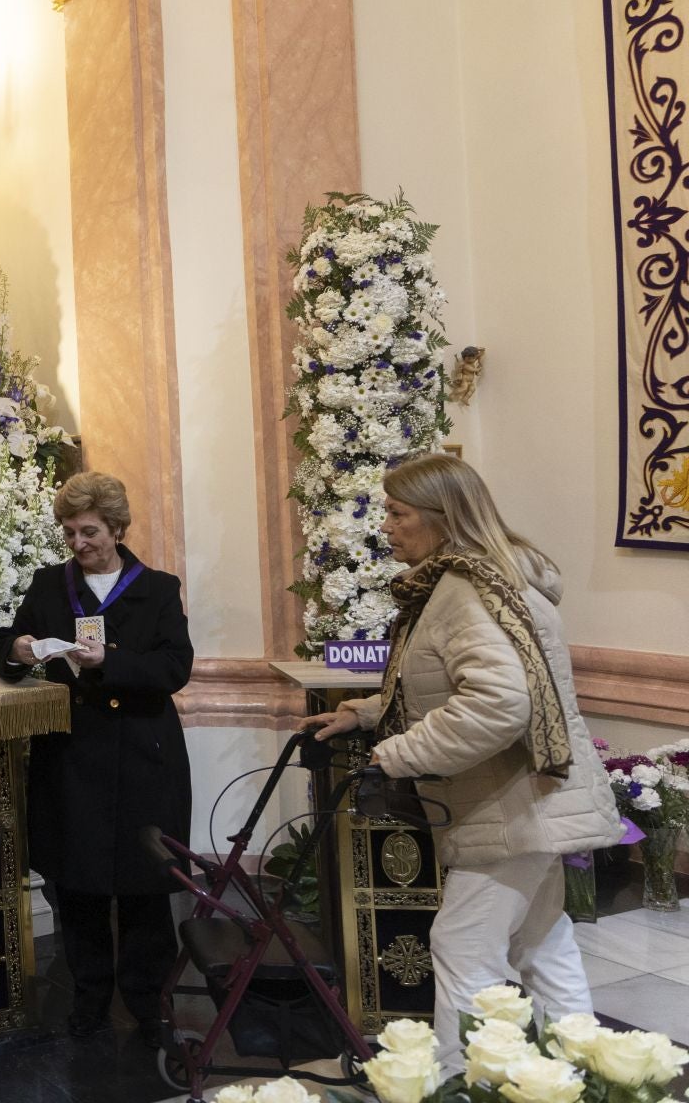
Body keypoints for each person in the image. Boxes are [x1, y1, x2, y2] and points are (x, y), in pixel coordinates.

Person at [299, 453, 621, 1059]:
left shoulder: (468, 590)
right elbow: (446, 681)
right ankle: (578, 1078)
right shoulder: (483, 578)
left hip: (512, 808)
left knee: (462, 947)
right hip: (529, 803)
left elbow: (500, 705)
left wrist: (393, 753)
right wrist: (366, 712)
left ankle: (461, 1088)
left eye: (398, 513)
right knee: (541, 946)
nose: (386, 526)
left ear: (442, 518)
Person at [0, 470, 193, 1047]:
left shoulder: (156, 587)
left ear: (118, 528)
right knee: (78, 887)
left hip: (143, 757)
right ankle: (88, 1000)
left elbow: (174, 667)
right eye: (70, 532)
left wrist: (111, 662)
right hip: (71, 756)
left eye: (90, 532)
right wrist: (19, 648)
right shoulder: (50, 585)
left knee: (144, 888)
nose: (78, 544)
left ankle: (148, 1002)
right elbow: (4, 649)